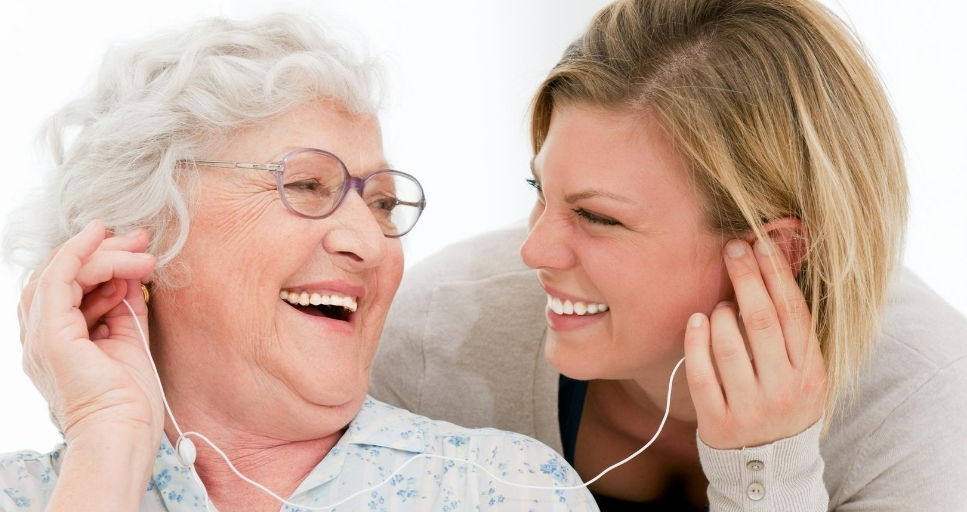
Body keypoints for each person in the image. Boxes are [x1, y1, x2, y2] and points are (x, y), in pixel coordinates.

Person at [0, 14, 601, 511]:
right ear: (142, 236)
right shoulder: (5, 498)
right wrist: (107, 447)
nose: (369, 244)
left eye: (381, 204)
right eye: (309, 186)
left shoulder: (506, 490)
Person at [370, 0, 967, 510]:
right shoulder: (434, 342)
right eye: (539, 192)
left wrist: (768, 475)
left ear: (777, 251)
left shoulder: (923, 408)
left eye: (599, 217)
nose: (534, 250)